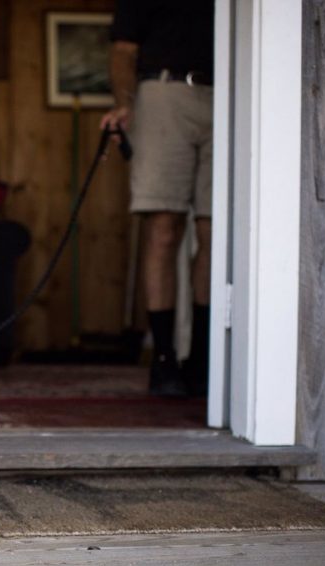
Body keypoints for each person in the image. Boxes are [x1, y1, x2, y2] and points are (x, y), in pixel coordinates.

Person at [100, 0, 214, 397]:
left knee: (215, 232)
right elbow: (123, 48)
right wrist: (124, 105)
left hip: (231, 94)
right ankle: (164, 359)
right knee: (164, 228)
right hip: (165, 92)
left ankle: (202, 359)